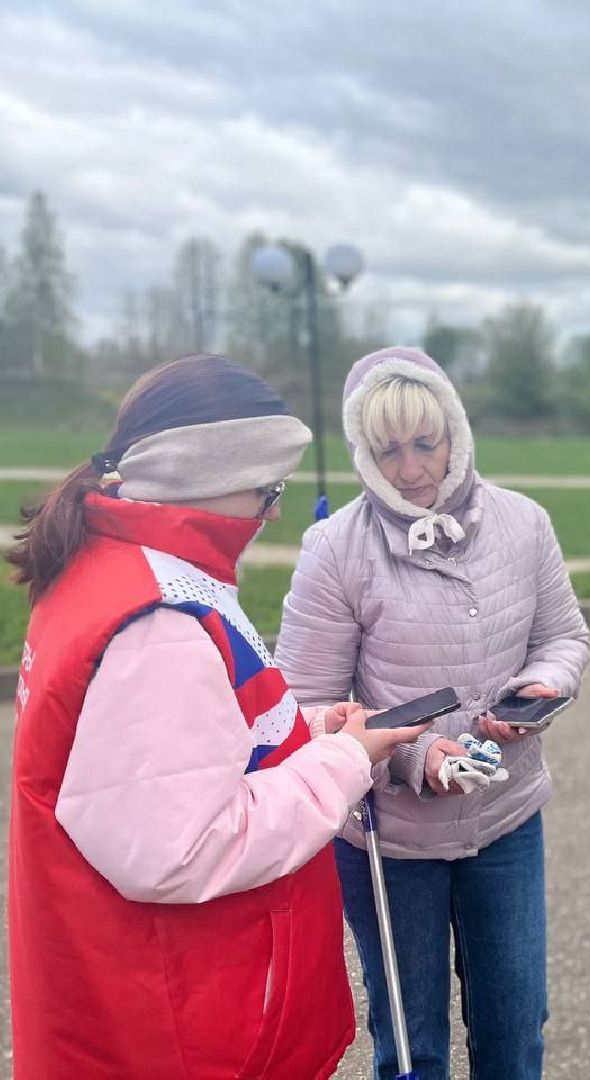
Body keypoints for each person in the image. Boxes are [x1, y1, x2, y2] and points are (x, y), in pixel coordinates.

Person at [6, 354, 429, 1080]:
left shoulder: (123, 571)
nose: (273, 512)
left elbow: (185, 752)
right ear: (205, 477)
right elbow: (184, 846)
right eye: (267, 489)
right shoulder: (157, 621)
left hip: (156, 1002)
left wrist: (307, 735)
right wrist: (346, 762)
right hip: (194, 1025)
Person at [276, 346, 590, 1080]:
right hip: (388, 840)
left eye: (426, 443)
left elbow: (563, 637)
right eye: (388, 452)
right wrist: (416, 758)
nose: (412, 469)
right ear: (363, 453)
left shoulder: (524, 523)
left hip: (505, 816)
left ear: (457, 432)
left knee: (516, 1032)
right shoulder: (334, 550)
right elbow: (305, 705)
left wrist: (540, 692)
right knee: (412, 1049)